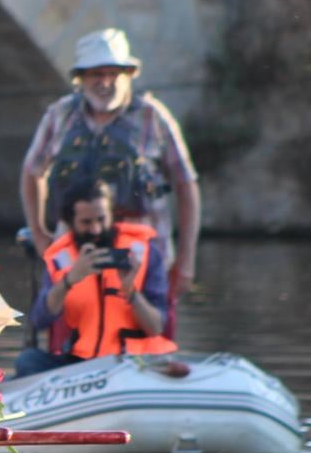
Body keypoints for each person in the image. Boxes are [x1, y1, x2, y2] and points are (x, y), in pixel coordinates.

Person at [20, 27, 200, 334]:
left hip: (144, 256)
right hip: (74, 253)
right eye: (95, 74)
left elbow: (187, 185)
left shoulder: (153, 117)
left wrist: (186, 259)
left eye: (113, 74)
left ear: (129, 74)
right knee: (67, 335)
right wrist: (38, 233)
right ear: (80, 78)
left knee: (149, 333)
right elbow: (31, 172)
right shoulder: (60, 116)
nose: (104, 83)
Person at [15, 179, 177, 377]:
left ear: (112, 215)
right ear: (71, 222)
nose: (96, 230)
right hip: (82, 365)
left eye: (101, 219)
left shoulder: (145, 253)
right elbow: (39, 319)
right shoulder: (61, 259)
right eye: (86, 222)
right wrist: (68, 281)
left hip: (135, 362)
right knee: (28, 360)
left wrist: (131, 293)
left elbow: (156, 327)